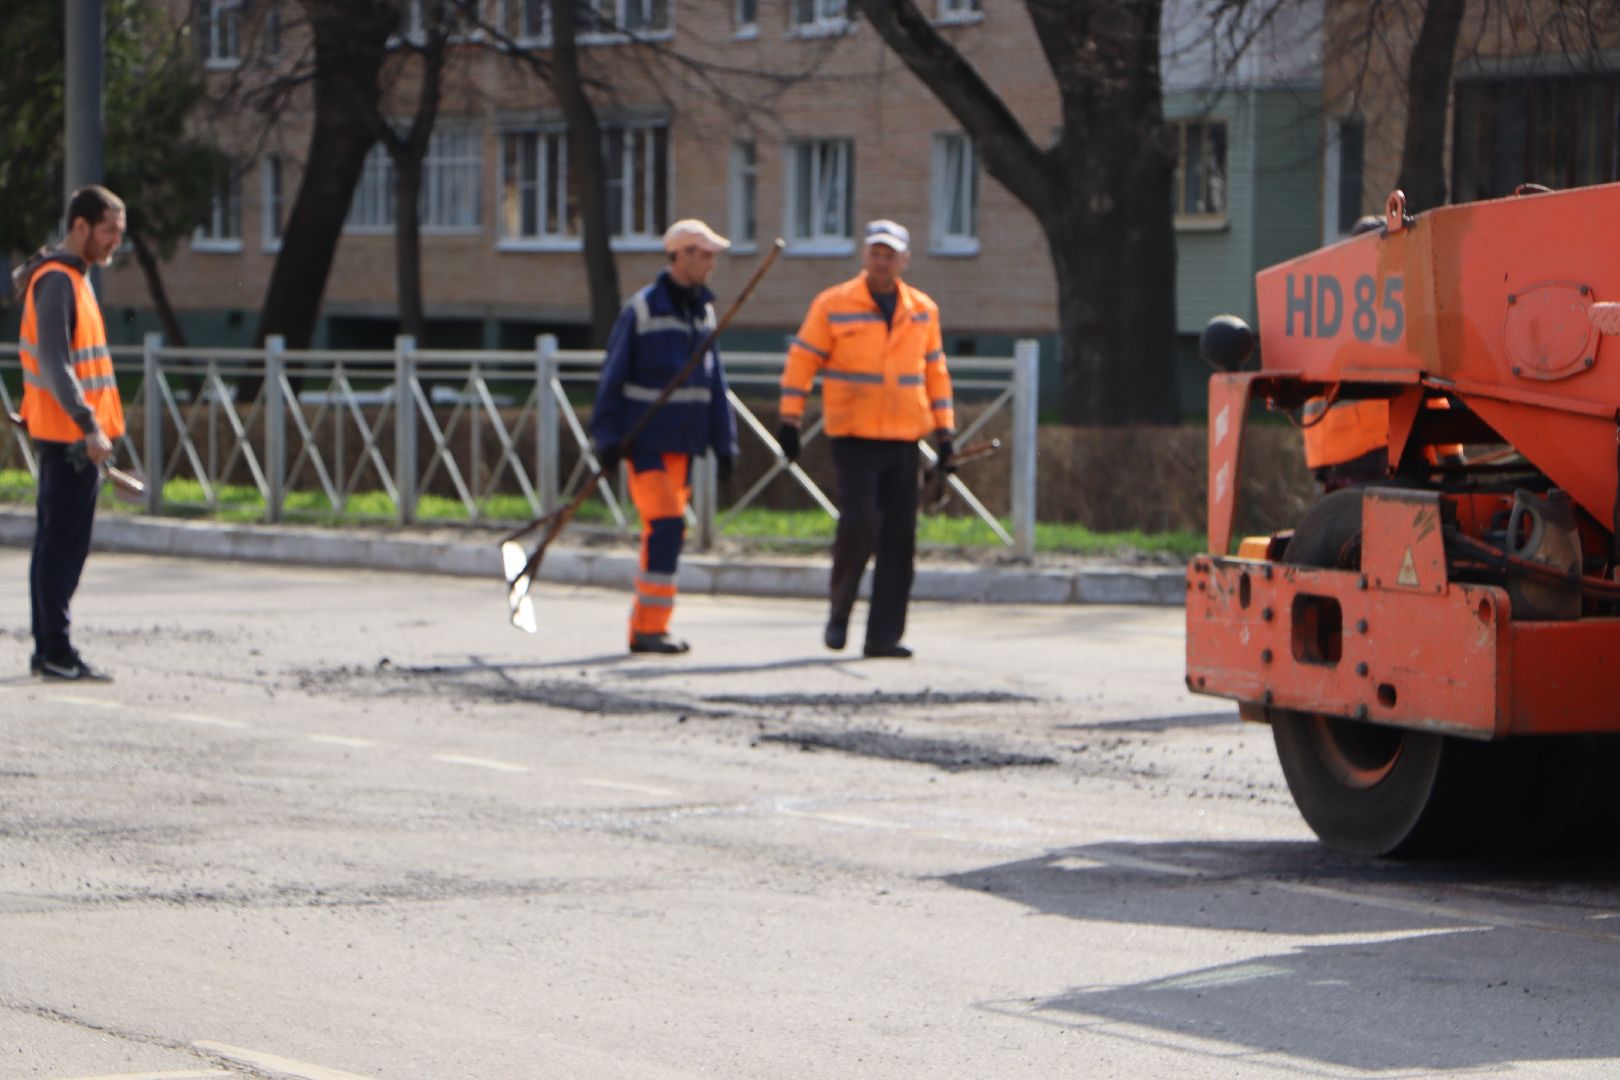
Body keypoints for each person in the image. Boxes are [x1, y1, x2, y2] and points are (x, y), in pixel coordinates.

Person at [775, 219, 955, 659]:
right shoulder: (833, 304)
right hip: (853, 438)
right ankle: (839, 611)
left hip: (904, 441)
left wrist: (946, 433)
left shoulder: (923, 310)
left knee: (899, 540)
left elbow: (935, 372)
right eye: (876, 253)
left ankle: (883, 636)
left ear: (904, 260)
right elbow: (802, 361)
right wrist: (789, 421)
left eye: (890, 255)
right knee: (857, 526)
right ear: (865, 255)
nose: (882, 261)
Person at [591, 218, 738, 655]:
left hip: (683, 446)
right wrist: (606, 438)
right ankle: (649, 628)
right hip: (645, 444)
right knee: (668, 527)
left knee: (664, 532)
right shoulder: (642, 310)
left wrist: (725, 443)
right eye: (705, 255)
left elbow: (715, 384)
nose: (712, 264)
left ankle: (647, 626)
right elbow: (612, 377)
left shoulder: (703, 313)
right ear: (682, 255)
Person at [14, 184, 128, 681]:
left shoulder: (71, 277)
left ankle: (50, 650)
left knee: (58, 545)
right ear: (80, 226)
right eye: (109, 231)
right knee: (62, 547)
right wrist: (88, 425)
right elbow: (55, 362)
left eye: (119, 232)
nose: (115, 241)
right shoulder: (60, 280)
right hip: (70, 439)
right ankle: (55, 652)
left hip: (69, 436)